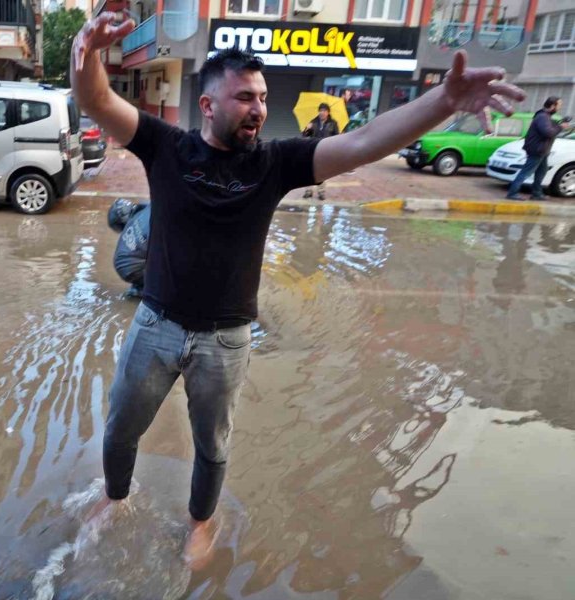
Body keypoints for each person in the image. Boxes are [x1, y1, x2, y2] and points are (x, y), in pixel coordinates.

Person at [71, 11, 524, 569]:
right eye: (244, 97)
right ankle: (112, 499)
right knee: (120, 430)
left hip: (226, 339)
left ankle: (201, 523)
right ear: (208, 105)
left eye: (262, 97)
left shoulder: (275, 163)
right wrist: (88, 50)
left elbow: (363, 142)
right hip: (156, 324)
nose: (259, 108)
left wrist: (443, 102)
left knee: (213, 447)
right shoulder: (167, 148)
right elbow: (97, 103)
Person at [506, 96, 571, 200]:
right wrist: (560, 127)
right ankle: (512, 193)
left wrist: (557, 125)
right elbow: (548, 132)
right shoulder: (542, 117)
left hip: (542, 150)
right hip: (537, 150)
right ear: (552, 105)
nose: (560, 108)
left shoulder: (546, 116)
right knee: (526, 172)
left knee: (542, 171)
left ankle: (537, 194)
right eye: (559, 105)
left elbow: (549, 129)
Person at [107, 198, 150, 297]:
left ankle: (140, 288)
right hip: (131, 266)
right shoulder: (146, 207)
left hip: (125, 265)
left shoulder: (139, 217)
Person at [302, 102, 340, 200]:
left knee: (322, 171)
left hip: (326, 150)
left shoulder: (333, 123)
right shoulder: (313, 122)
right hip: (313, 149)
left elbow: (336, 137)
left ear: (328, 112)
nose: (322, 113)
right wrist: (307, 128)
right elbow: (305, 135)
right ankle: (308, 191)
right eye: (320, 111)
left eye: (324, 111)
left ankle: (321, 192)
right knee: (309, 171)